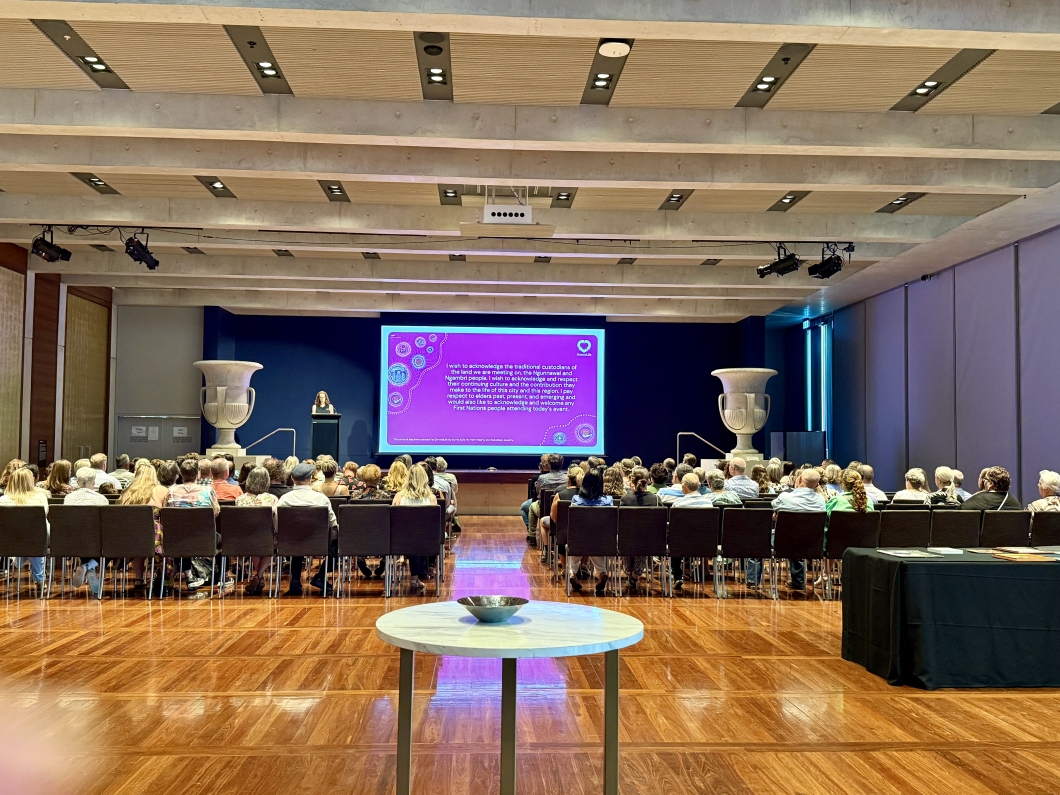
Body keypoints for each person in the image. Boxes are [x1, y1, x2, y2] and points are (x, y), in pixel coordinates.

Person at [745, 468, 826, 591]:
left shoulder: (785, 497)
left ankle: (753, 580)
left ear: (798, 479)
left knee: (757, 542)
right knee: (798, 536)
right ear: (817, 484)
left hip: (783, 542)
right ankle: (798, 581)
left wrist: (779, 516)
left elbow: (774, 506)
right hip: (811, 543)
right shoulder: (821, 500)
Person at [274, 462, 339, 596]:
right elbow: (332, 523)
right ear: (310, 479)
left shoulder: (284, 500)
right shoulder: (321, 499)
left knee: (297, 538)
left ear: (292, 479)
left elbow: (277, 522)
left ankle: (295, 580)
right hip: (318, 542)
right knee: (338, 542)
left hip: (291, 544)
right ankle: (321, 576)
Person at [119, 462, 171, 593]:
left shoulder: (126, 493)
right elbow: (167, 515)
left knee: (139, 535)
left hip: (128, 536)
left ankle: (138, 577)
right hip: (154, 537)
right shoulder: (162, 490)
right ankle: (163, 575)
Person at [0, 467, 50, 593]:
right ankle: (40, 578)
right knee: (37, 535)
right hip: (36, 538)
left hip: (9, 540)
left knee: (24, 538)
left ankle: (16, 559)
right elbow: (44, 514)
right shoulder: (40, 497)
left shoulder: (3, 500)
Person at [391, 464, 438, 593]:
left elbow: (393, 520)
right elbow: (433, 524)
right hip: (425, 542)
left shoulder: (399, 496)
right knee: (418, 535)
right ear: (424, 478)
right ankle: (416, 578)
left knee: (411, 535)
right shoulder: (431, 498)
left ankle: (414, 577)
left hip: (401, 541)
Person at [567, 469, 613, 595]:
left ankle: (572, 573)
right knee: (595, 540)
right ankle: (602, 573)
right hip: (602, 541)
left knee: (581, 540)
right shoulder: (608, 500)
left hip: (579, 540)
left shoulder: (576, 499)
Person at [235, 467, 279, 596]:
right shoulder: (271, 499)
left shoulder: (240, 499)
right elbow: (276, 521)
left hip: (246, 539)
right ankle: (258, 575)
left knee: (255, 543)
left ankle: (259, 578)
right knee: (269, 542)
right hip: (267, 538)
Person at [64, 467, 107, 596]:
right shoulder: (102, 499)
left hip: (72, 541)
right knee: (112, 544)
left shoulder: (68, 498)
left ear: (77, 482)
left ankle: (86, 566)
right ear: (93, 483)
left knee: (83, 538)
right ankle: (89, 566)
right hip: (95, 542)